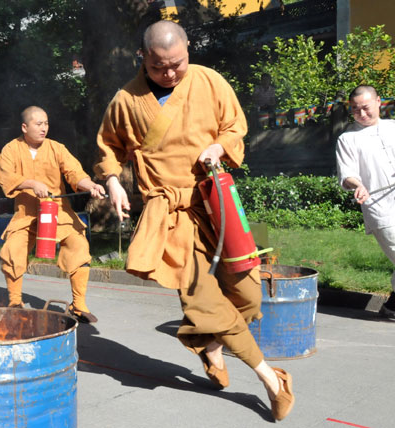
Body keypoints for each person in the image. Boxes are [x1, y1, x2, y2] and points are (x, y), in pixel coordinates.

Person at [94, 20, 294, 421]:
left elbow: (236, 126)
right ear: (142, 58)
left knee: (249, 296)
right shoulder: (126, 100)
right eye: (157, 67)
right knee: (205, 298)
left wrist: (220, 145)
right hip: (170, 215)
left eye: (176, 63)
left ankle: (209, 343)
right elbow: (108, 145)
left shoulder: (209, 81)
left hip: (216, 203)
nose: (168, 73)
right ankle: (272, 380)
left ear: (188, 49)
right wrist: (114, 181)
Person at [0, 106, 106, 323]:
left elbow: (74, 172)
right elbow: (6, 179)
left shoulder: (57, 148)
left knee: (79, 246)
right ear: (24, 127)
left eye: (46, 123)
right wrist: (31, 184)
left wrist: (90, 184)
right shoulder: (10, 150)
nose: (44, 128)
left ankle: (79, 305)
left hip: (58, 212)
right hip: (26, 215)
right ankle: (15, 302)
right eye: (38, 124)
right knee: (12, 250)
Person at [336, 85, 395, 322]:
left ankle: (393, 306)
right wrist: (357, 185)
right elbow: (347, 174)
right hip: (382, 212)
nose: (361, 114)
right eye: (355, 109)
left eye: (366, 108)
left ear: (379, 102)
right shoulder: (348, 139)